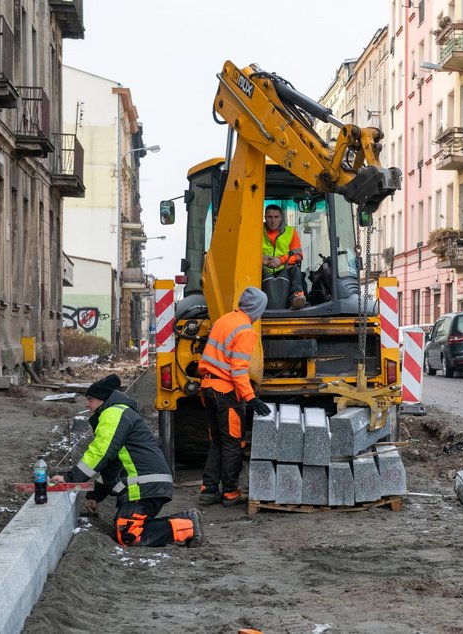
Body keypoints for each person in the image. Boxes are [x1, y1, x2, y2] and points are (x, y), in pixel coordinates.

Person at [52, 374, 202, 548]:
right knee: (126, 529)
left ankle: (188, 525)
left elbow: (101, 452)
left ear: (103, 400)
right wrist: (95, 496)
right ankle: (186, 523)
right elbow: (113, 464)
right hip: (149, 483)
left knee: (128, 534)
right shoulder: (118, 413)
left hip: (145, 485)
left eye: (90, 400)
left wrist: (71, 479)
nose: (87, 404)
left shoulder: (113, 413)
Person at [197, 287, 273, 507]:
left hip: (208, 388)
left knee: (217, 442)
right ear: (257, 309)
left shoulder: (225, 320)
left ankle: (209, 490)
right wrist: (251, 398)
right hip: (225, 393)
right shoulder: (246, 331)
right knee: (232, 443)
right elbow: (238, 370)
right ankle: (230, 492)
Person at [262, 204, 307, 309]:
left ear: (281, 218)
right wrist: (261, 259)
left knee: (295, 270)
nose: (273, 221)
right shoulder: (256, 231)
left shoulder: (291, 232)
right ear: (265, 218)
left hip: (284, 269)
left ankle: (296, 297)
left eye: (276, 217)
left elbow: (298, 256)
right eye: (269, 217)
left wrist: (280, 260)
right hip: (263, 269)